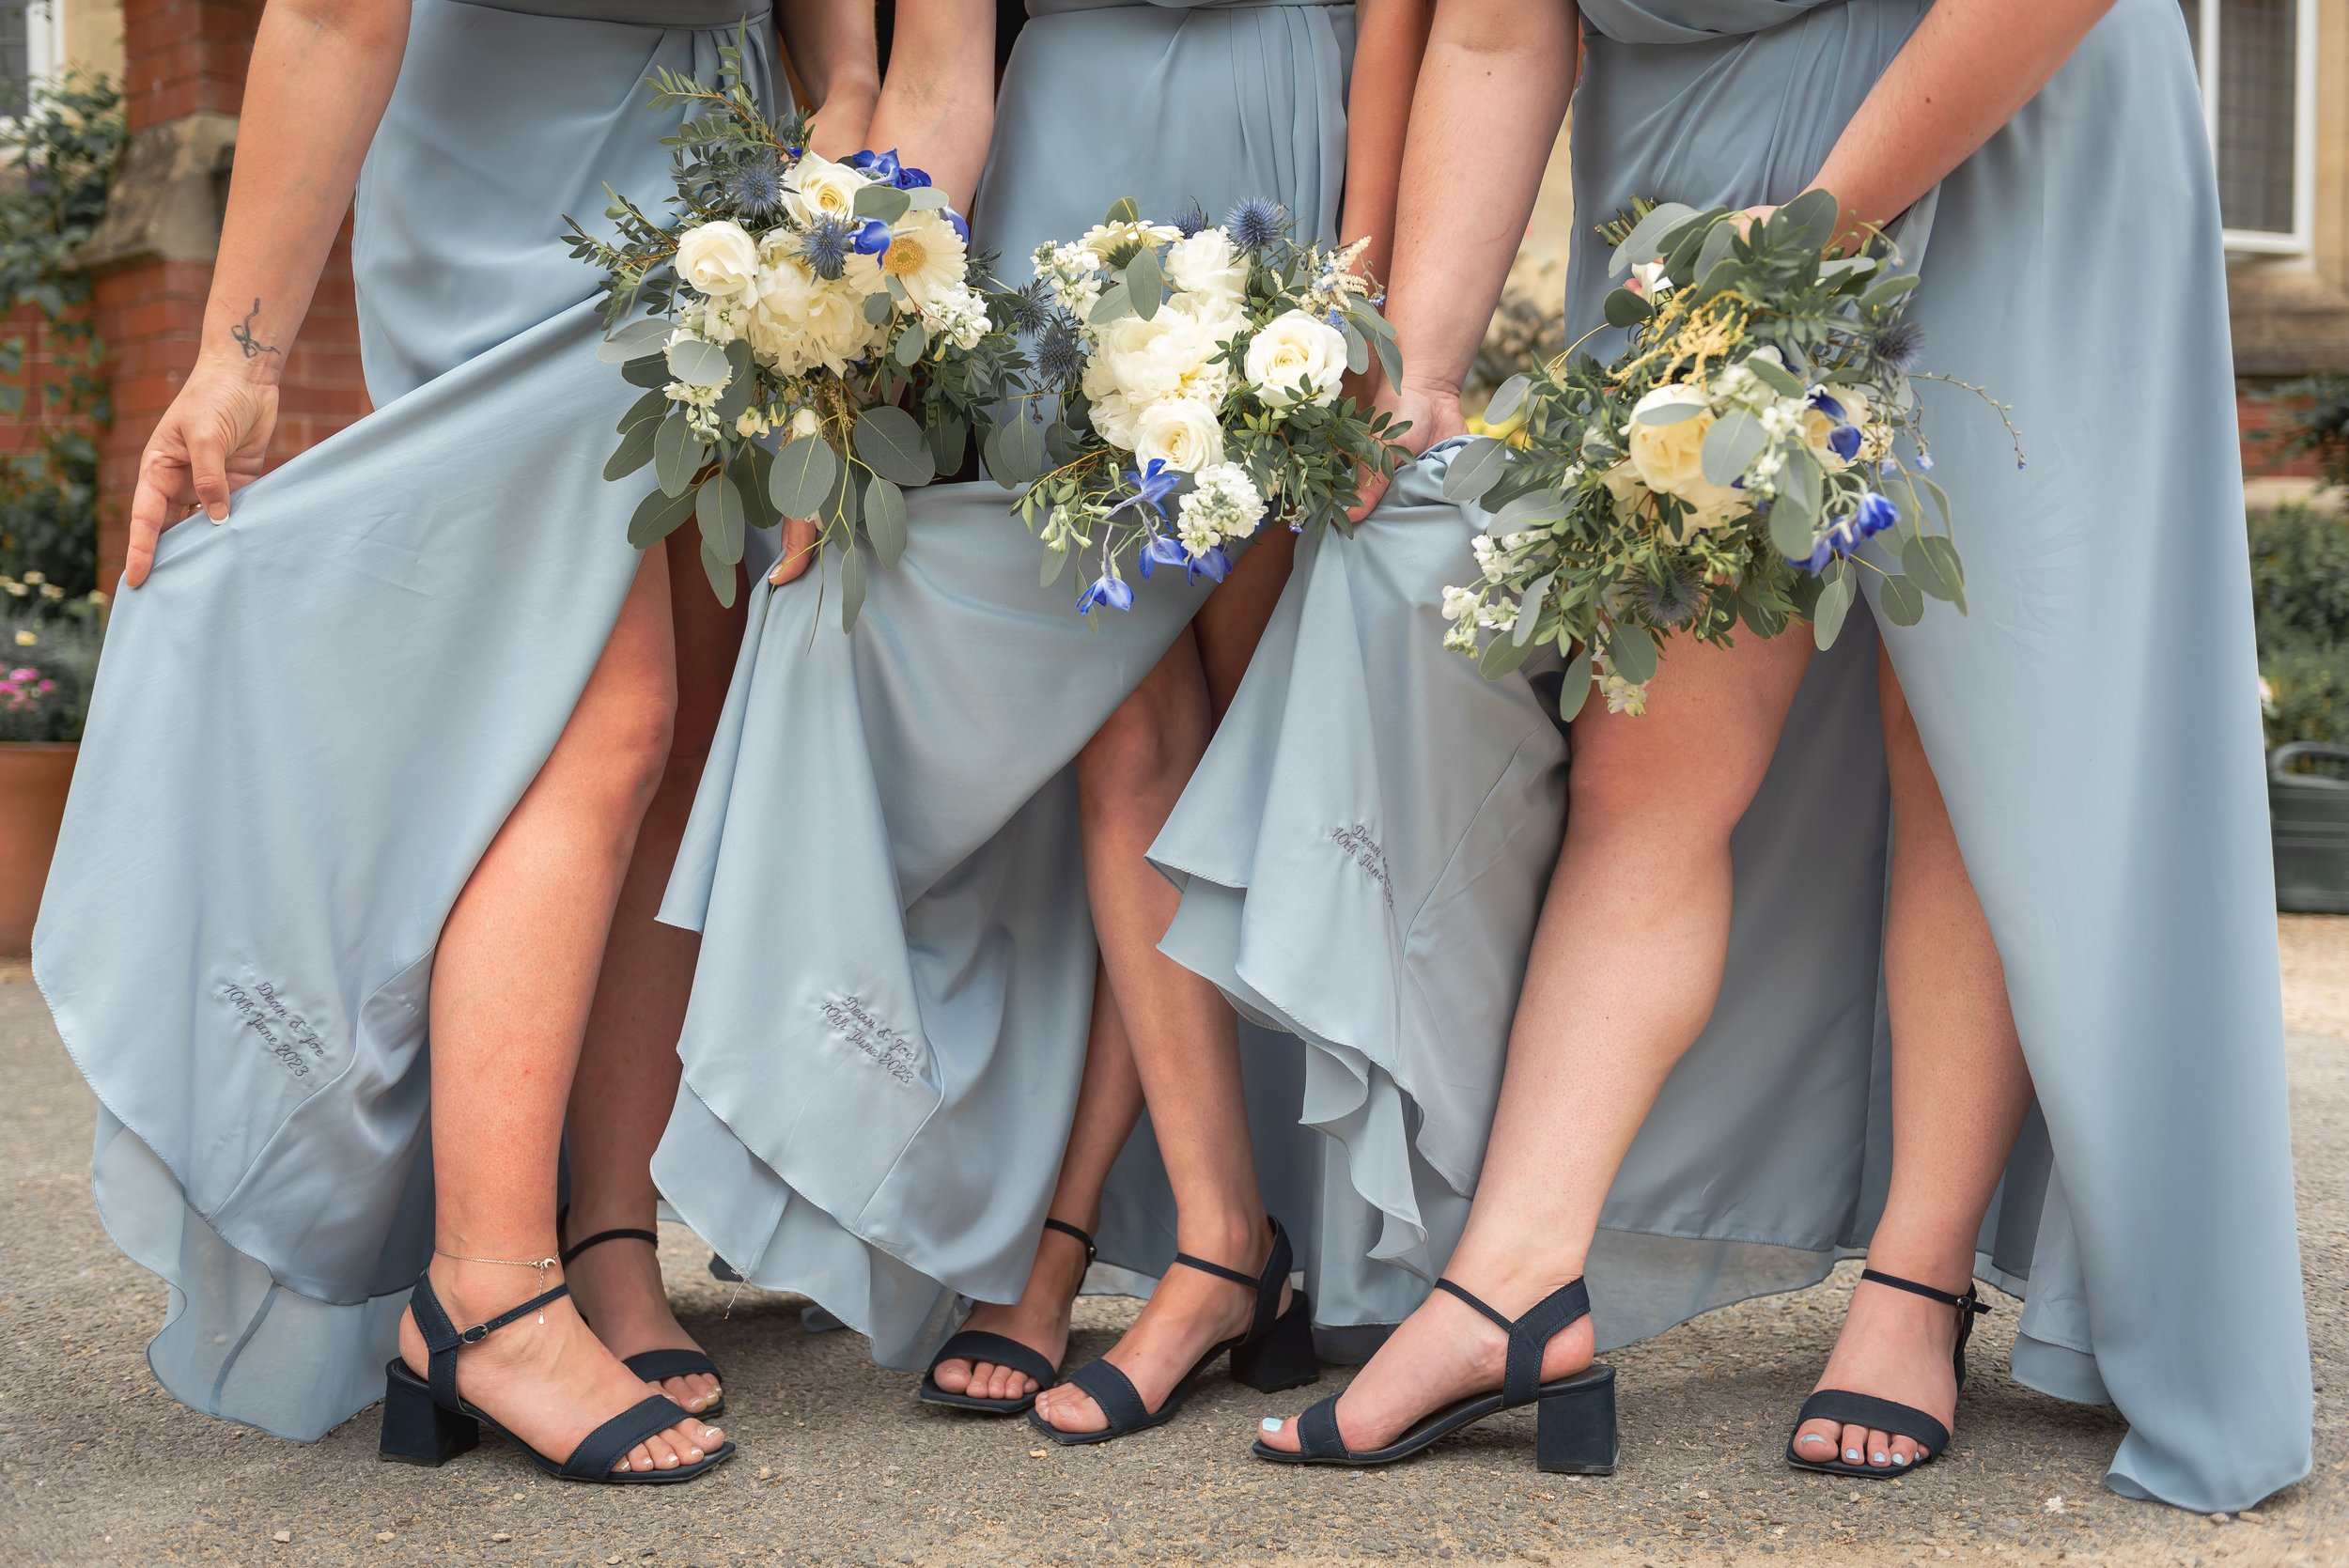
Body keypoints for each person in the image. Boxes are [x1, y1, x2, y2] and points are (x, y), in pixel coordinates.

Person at [1159, 0, 2314, 1512]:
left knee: (1981, 729)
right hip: (1692, 194)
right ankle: (1516, 1280)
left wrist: (1821, 229)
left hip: (2012, 118)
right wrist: (1426, 364)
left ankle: (1918, 1273)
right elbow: (1501, 36)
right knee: (1647, 755)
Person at [32, 0, 869, 1479]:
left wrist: (825, 312)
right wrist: (238, 353)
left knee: (677, 752)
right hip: (511, 185)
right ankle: (486, 1282)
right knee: (595, 723)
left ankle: (606, 1242)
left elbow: (846, 56)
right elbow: (335, 10)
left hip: (726, 193)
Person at [650, 0, 1428, 1441]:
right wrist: (857, 349)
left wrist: (1359, 274)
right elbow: (942, 65)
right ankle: (1184, 1241)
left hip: (1287, 149)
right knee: (1117, 722)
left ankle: (1149, 1250)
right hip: (1058, 167)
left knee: (1234, 747)